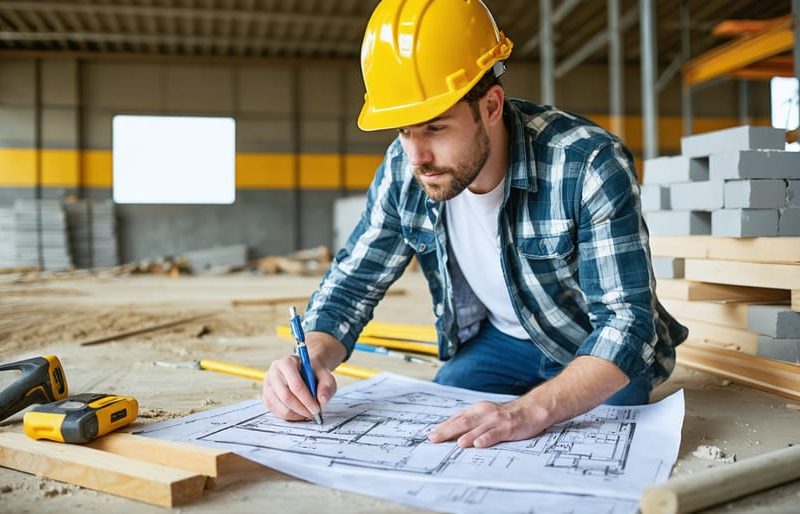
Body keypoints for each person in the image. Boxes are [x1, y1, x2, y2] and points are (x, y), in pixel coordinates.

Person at [262, 0, 687, 449]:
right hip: (503, 343)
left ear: (490, 105)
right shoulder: (404, 169)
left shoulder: (587, 163)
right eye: (403, 131)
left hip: (591, 346)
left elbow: (626, 325)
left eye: (435, 129)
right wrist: (309, 359)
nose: (417, 157)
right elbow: (351, 286)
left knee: (616, 423)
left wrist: (528, 411)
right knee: (450, 409)